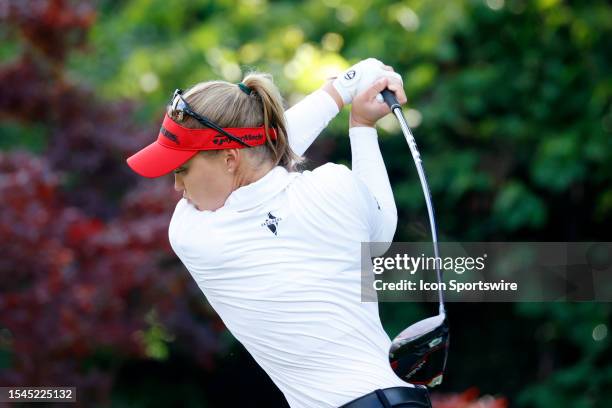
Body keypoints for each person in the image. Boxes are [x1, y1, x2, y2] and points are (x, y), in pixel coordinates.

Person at [126, 58, 432, 408]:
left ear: (229, 160)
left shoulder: (194, 234)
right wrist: (360, 123)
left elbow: (266, 153)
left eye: (182, 169)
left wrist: (339, 92)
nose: (177, 186)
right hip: (405, 399)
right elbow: (380, 236)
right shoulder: (334, 186)